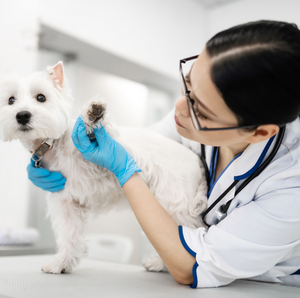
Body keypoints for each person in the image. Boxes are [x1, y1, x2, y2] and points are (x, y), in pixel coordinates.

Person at [27, 19, 300, 288]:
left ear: (260, 133)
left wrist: (126, 171)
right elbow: (148, 148)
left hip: (264, 288)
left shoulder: (290, 185)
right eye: (189, 83)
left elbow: (191, 267)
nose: (180, 107)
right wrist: (60, 161)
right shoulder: (188, 114)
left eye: (201, 110)